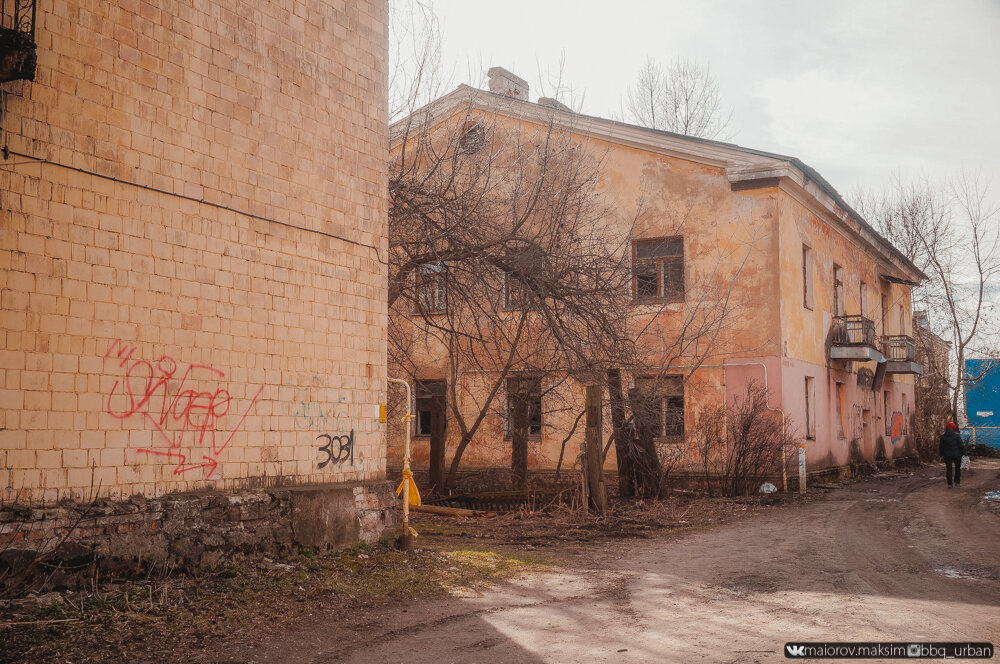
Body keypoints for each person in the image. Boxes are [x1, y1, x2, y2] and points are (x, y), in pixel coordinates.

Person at [939, 421, 965, 488]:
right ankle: (957, 482)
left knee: (949, 469)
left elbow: (941, 447)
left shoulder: (943, 437)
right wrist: (964, 453)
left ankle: (949, 484)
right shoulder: (957, 436)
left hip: (947, 455)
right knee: (957, 469)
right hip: (957, 455)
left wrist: (941, 454)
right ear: (953, 428)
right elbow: (961, 445)